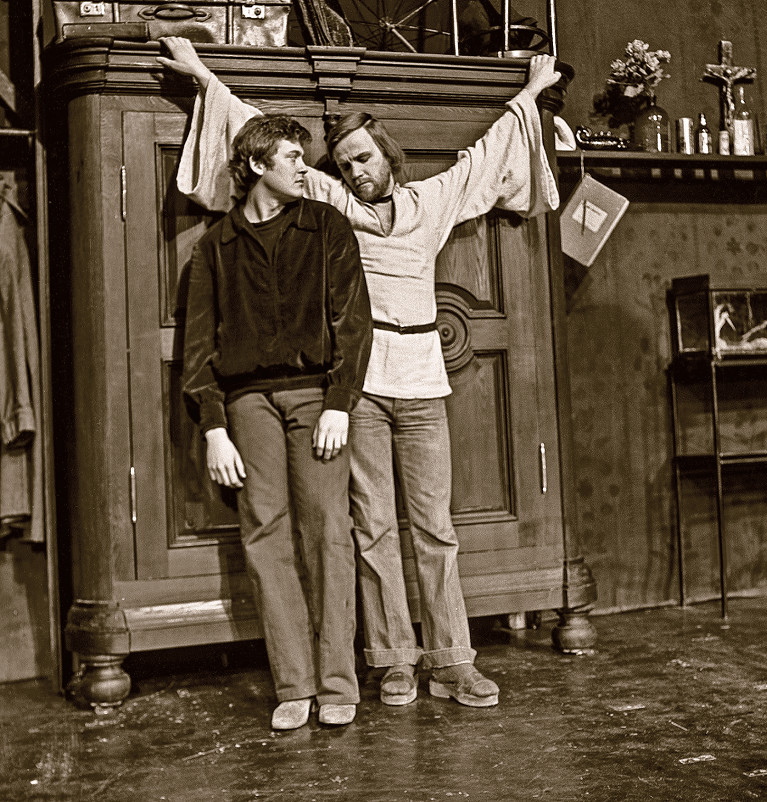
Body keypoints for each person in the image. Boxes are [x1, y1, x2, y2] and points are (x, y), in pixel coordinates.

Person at [159, 37, 562, 708]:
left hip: (424, 382)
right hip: (362, 391)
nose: (355, 171)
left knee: (435, 528)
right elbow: (259, 145)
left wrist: (529, 94)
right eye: (344, 163)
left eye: (364, 158)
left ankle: (453, 660)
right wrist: (203, 76)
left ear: (388, 156)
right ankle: (393, 659)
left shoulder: (432, 202)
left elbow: (484, 159)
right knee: (371, 528)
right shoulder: (330, 206)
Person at [182, 111, 372, 729]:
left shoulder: (326, 225)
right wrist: (214, 427)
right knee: (265, 535)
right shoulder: (216, 246)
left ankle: (338, 684)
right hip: (247, 405)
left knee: (328, 533)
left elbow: (353, 323)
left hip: (316, 398)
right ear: (257, 165)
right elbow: (197, 348)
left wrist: (339, 402)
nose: (305, 167)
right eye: (292, 156)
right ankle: (294, 684)